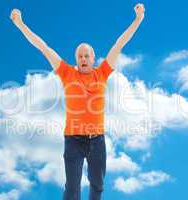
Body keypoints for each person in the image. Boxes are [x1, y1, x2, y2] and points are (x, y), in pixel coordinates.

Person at [10, 3, 145, 200]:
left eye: (86, 55)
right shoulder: (67, 73)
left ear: (93, 58)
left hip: (97, 139)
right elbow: (43, 47)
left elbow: (119, 44)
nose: (83, 58)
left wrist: (138, 19)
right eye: (80, 56)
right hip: (73, 139)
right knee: (72, 189)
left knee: (97, 185)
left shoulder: (103, 72)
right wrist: (20, 23)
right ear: (76, 59)